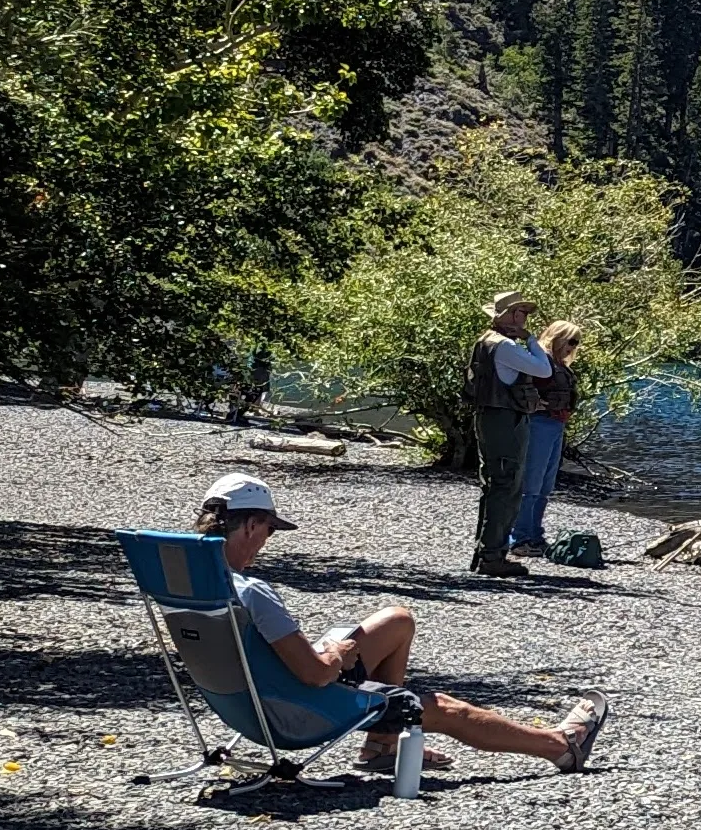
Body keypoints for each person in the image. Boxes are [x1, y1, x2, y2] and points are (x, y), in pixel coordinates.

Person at [192, 472, 607, 776]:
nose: (267, 540)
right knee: (442, 708)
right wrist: (334, 654)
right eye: (267, 529)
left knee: (396, 621)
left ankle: (382, 745)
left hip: (240, 706)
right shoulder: (252, 592)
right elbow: (316, 675)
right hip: (292, 712)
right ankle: (561, 746)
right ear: (249, 525)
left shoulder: (190, 583)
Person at [466, 291, 554, 577]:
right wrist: (531, 340)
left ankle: (485, 553)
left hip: (490, 418)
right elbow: (543, 369)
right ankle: (492, 557)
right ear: (504, 316)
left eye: (524, 314)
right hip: (505, 421)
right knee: (506, 486)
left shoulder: (485, 342)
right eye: (518, 313)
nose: (522, 318)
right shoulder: (504, 346)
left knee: (494, 486)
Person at [507, 318, 583, 562]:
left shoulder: (559, 365)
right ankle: (519, 538)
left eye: (576, 342)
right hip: (539, 424)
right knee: (531, 483)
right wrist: (532, 404)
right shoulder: (540, 360)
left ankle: (535, 534)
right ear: (558, 337)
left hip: (556, 425)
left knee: (545, 486)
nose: (573, 346)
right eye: (570, 341)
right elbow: (519, 385)